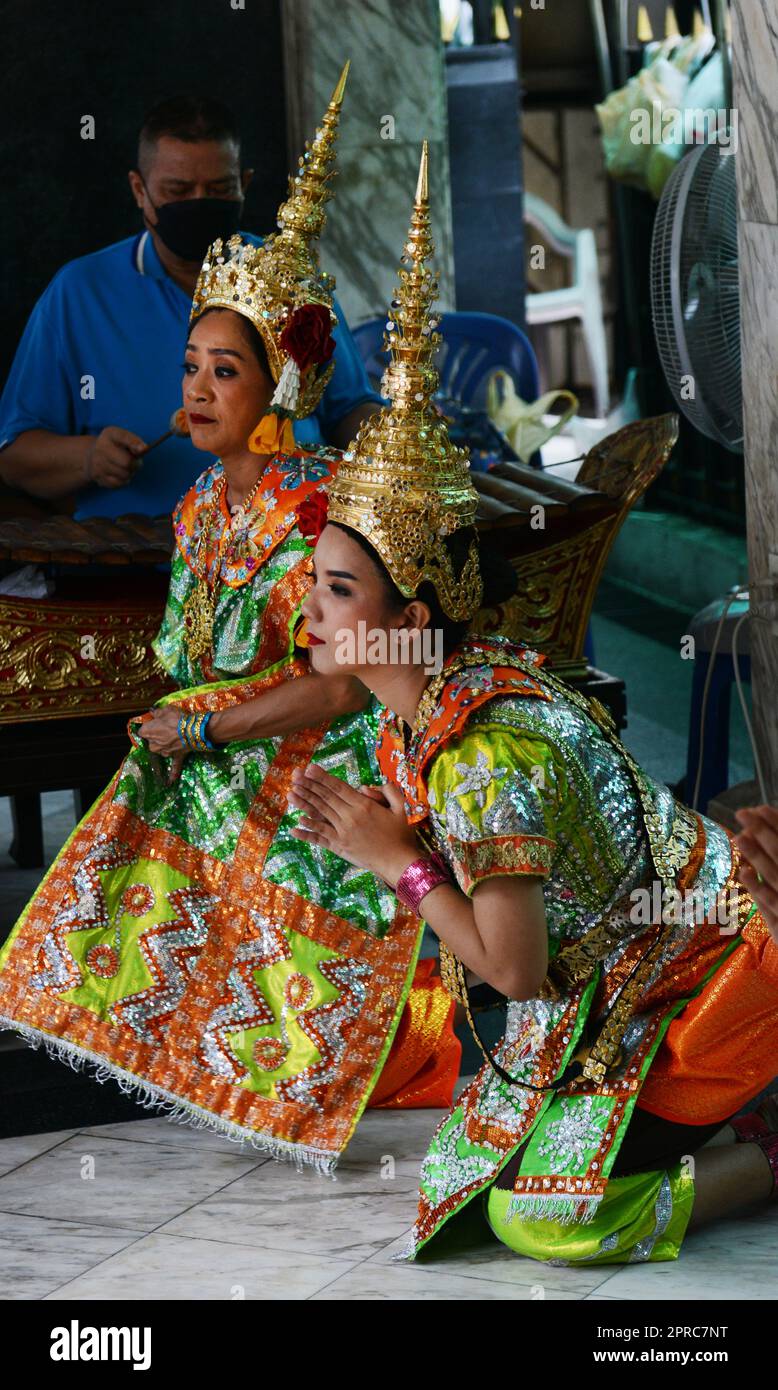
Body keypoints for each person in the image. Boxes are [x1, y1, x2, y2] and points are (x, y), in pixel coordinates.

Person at [285, 144, 778, 1264]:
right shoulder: (426, 707)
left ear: (413, 615)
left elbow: (507, 970)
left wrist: (393, 858)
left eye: (336, 587)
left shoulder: (480, 752)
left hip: (706, 974)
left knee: (543, 1214)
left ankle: (766, 1142)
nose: (308, 609)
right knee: (475, 1179)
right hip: (606, 996)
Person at [0, 100, 460, 1172]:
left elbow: (349, 686)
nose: (196, 389)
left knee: (193, 777)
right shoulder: (203, 502)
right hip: (252, 717)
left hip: (335, 736)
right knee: (148, 771)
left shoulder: (315, 510)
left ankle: (295, 1055)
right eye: (191, 367)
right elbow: (190, 654)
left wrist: (212, 730)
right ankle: (181, 1042)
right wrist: (189, 717)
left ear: (280, 385)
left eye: (225, 371)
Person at [0, 69, 380, 520]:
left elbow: (350, 407)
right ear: (140, 191)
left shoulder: (289, 279)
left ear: (246, 185)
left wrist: (398, 446)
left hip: (286, 548)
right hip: (132, 562)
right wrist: (87, 458)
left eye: (219, 190)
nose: (200, 202)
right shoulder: (79, 294)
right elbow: (14, 455)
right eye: (178, 191)